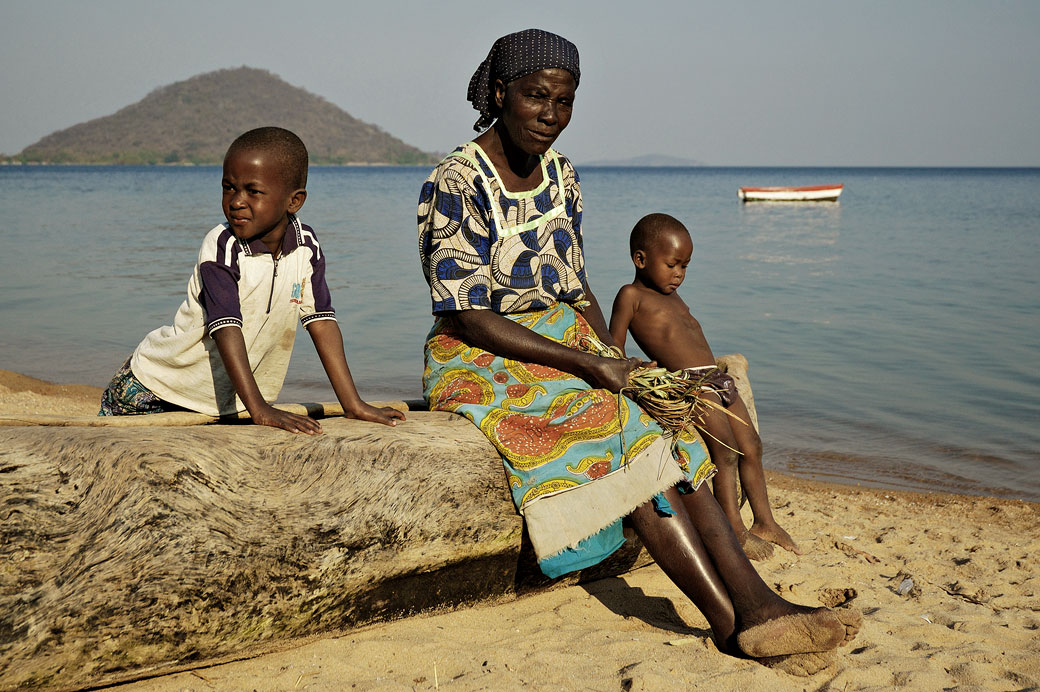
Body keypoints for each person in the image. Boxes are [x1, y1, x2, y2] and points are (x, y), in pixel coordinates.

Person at [416, 29, 857, 669]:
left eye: (564, 101)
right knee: (611, 427)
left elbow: (575, 283)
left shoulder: (561, 175)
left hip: (565, 342)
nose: (550, 115)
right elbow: (467, 314)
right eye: (536, 96)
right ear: (499, 92)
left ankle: (753, 609)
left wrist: (608, 353)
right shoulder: (455, 180)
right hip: (483, 355)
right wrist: (590, 365)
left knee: (663, 426)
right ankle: (739, 618)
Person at [99, 126, 404, 433]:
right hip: (156, 389)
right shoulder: (222, 246)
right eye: (228, 187)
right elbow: (226, 326)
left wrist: (353, 404)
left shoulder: (306, 245)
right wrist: (260, 410)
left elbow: (321, 321)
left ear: (294, 201)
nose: (236, 202)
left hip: (228, 404)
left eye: (253, 191)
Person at [610, 213, 800, 560]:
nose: (679, 274)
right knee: (724, 452)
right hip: (691, 384)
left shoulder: (675, 297)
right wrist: (634, 369)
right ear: (640, 259)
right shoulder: (630, 296)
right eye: (672, 264)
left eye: (685, 266)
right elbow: (614, 348)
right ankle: (735, 530)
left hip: (716, 377)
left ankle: (765, 521)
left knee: (752, 445)